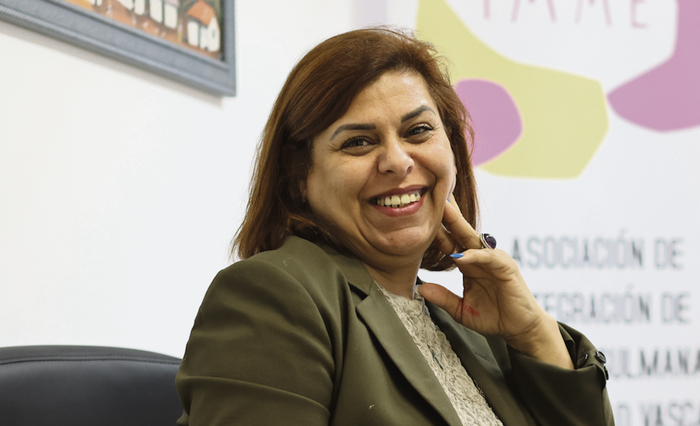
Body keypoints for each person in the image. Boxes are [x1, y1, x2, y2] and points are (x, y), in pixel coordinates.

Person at [176, 28, 614, 426]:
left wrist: (533, 333)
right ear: (300, 176)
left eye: (418, 130)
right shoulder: (272, 296)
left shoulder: (471, 326)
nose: (398, 161)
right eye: (358, 142)